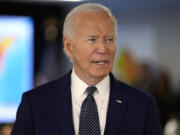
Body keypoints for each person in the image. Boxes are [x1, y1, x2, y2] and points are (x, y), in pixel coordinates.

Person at [11, 3, 162, 135]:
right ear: (69, 46)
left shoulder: (142, 106)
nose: (103, 48)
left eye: (109, 39)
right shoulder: (35, 104)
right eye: (92, 39)